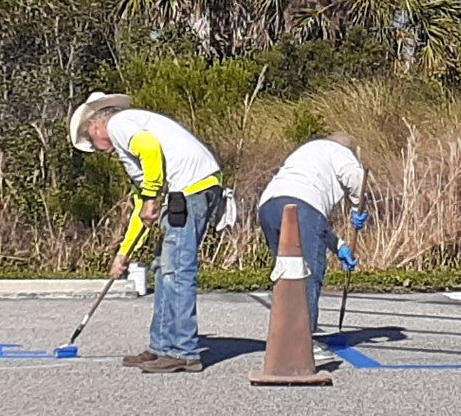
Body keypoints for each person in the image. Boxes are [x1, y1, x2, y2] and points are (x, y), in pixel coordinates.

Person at [69, 91, 225, 373]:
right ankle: (162, 347)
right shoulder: (128, 145)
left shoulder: (120, 123)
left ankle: (183, 351)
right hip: (185, 193)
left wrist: (153, 197)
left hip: (191, 191)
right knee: (163, 268)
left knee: (177, 271)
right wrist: (124, 252)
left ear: (95, 125)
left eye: (93, 142)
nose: (99, 150)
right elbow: (142, 205)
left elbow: (150, 151)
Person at [257, 132, 368, 363]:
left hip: (269, 205)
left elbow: (315, 225)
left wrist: (338, 246)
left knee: (286, 275)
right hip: (304, 205)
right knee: (308, 274)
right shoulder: (339, 151)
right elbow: (355, 177)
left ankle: (285, 337)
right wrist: (358, 208)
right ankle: (304, 342)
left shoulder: (306, 151)